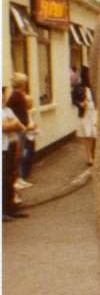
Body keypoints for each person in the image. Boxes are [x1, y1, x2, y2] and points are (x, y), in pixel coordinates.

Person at [2, 85, 28, 221]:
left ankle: (11, 209)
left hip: (11, 145)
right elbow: (5, 127)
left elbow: (21, 126)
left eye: (3, 94)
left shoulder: (7, 110)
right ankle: (3, 212)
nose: (2, 97)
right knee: (4, 180)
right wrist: (11, 125)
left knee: (11, 178)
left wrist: (11, 124)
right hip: (2, 148)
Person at [6, 72, 35, 190]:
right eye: (24, 82)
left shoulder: (18, 95)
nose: (25, 84)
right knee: (18, 155)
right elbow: (8, 110)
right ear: (21, 83)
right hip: (19, 130)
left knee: (20, 154)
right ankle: (16, 180)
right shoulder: (15, 96)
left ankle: (19, 179)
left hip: (23, 129)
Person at [71, 69, 97, 165]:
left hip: (94, 112)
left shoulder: (94, 87)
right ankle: (89, 157)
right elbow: (73, 100)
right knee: (87, 135)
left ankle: (94, 154)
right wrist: (80, 104)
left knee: (94, 134)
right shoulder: (78, 87)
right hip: (85, 114)